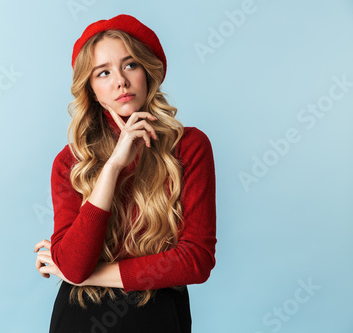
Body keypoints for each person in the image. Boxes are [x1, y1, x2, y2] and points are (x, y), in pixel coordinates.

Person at [34, 14, 217, 333]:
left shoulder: (189, 146)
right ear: (91, 89)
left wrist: (91, 275)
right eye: (103, 73)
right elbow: (74, 264)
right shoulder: (70, 162)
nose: (120, 80)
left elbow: (195, 261)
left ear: (147, 71)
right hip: (80, 317)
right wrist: (113, 169)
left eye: (130, 65)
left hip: (158, 317)